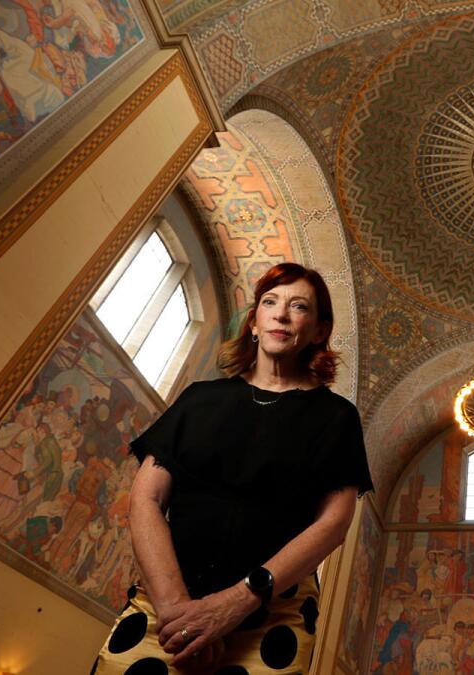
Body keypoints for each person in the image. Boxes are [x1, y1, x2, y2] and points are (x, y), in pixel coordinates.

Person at [92, 263, 373, 673]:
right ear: (254, 323)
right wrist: (178, 611)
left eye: (299, 306)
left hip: (272, 614)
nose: (281, 313)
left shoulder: (337, 417)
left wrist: (236, 602)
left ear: (318, 331)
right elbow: (145, 499)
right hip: (166, 609)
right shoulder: (198, 399)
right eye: (270, 302)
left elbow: (333, 523)